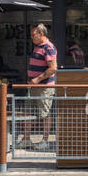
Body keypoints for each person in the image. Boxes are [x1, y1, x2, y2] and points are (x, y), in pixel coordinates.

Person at [24, 23, 57, 151]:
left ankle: (45, 141)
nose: (32, 38)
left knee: (45, 113)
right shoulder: (38, 47)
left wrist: (37, 79)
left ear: (41, 34)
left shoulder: (48, 47)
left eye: (33, 35)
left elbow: (53, 68)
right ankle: (26, 139)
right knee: (28, 112)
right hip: (34, 86)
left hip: (44, 87)